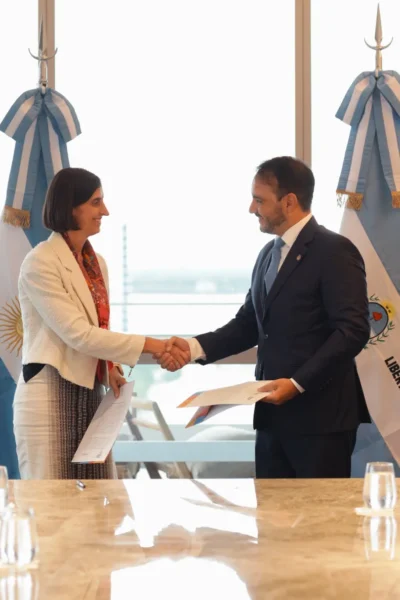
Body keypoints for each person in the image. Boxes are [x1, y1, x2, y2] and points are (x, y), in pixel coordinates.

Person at [155, 156, 371, 478]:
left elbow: (352, 331)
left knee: (319, 513)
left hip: (321, 422)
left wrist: (297, 384)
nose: (251, 209)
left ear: (289, 201)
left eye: (259, 200)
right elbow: (247, 324)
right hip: (271, 419)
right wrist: (193, 348)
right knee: (270, 511)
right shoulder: (268, 254)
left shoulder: (334, 250)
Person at [14, 167, 188, 480]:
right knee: (52, 503)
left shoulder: (97, 264)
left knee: (96, 499)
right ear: (71, 207)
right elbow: (78, 334)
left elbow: (98, 329)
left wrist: (109, 369)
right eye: (96, 202)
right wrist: (155, 345)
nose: (104, 211)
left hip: (91, 395)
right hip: (49, 397)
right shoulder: (40, 262)